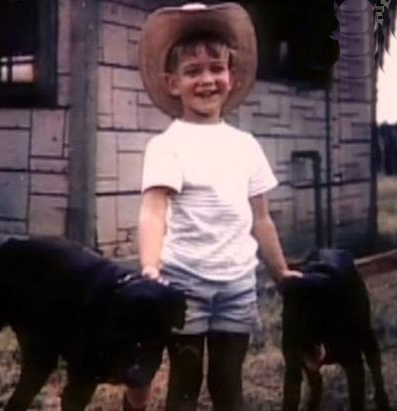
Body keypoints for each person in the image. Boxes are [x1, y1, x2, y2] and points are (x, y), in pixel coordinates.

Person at [123, 3, 303, 411]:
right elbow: (153, 211)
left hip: (236, 283)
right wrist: (150, 266)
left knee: (227, 383)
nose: (206, 80)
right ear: (172, 83)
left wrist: (280, 271)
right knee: (185, 383)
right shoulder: (167, 145)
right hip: (183, 284)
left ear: (232, 77)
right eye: (193, 71)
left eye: (215, 69)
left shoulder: (245, 146)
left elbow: (261, 218)